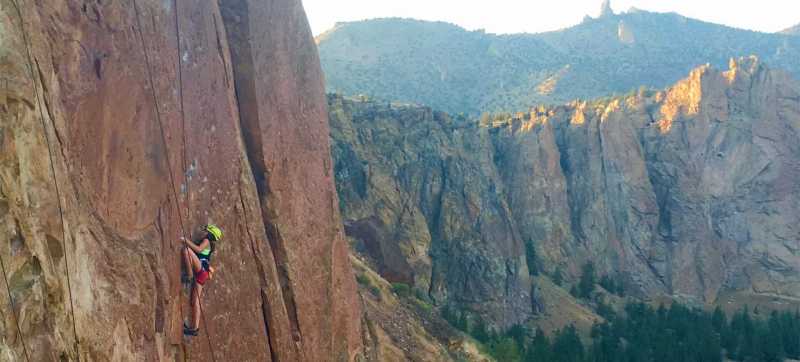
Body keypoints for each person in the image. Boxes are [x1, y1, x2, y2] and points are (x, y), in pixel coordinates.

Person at [180, 224, 222, 336]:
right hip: (203, 274)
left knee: (187, 250)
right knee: (195, 301)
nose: (204, 232)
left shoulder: (207, 241)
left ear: (209, 233)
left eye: (206, 231)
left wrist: (185, 240)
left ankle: (189, 275)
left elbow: (198, 249)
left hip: (201, 271)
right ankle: (194, 329)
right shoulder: (210, 243)